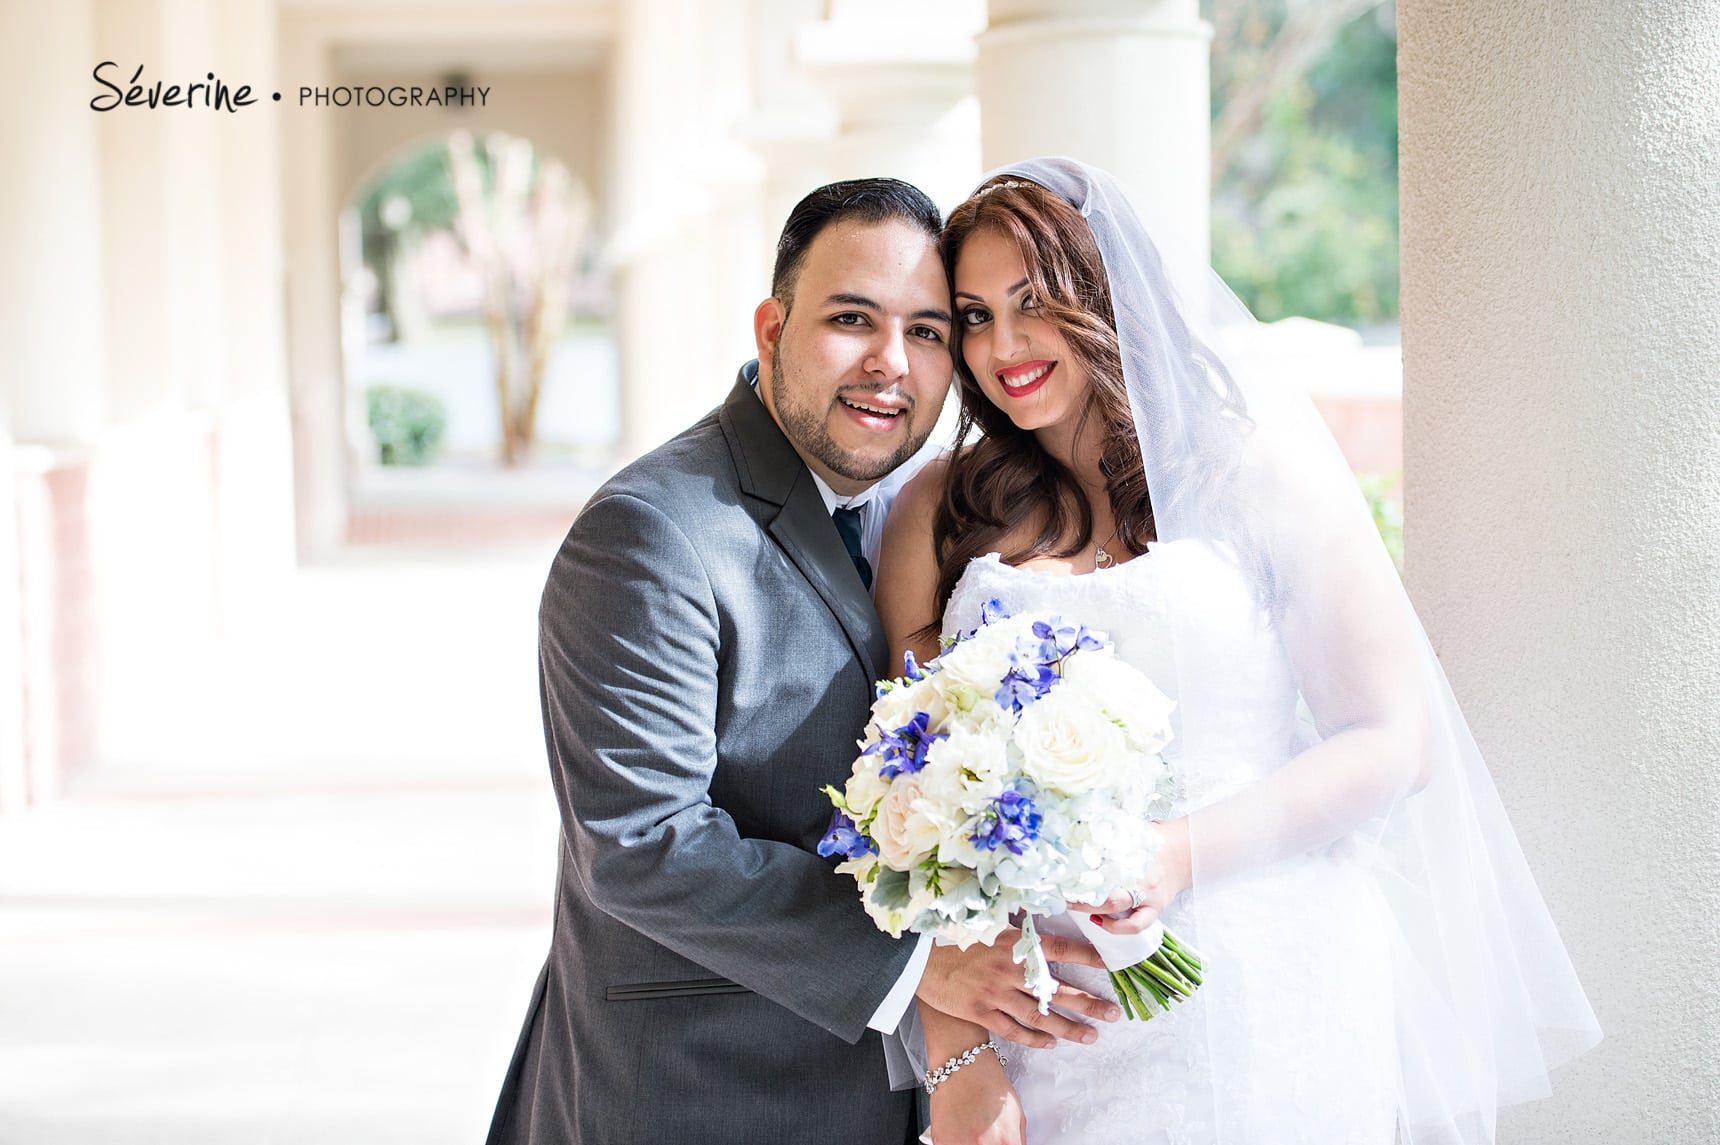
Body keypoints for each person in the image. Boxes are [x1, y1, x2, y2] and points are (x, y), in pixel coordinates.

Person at [875, 158, 1602, 1145]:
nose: (1003, 345)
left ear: (1103, 297)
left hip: (1264, 983)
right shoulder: (937, 510)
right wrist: (959, 1052)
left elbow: (1391, 738)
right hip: (1045, 1011)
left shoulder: (1252, 474)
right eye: (972, 315)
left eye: (1033, 302)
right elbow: (907, 800)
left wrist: (1172, 853)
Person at [483, 177, 1120, 1145]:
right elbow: (642, 843)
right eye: (851, 319)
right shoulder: (652, 533)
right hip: (689, 1096)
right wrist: (921, 961)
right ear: (771, 327)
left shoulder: (926, 515)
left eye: (929, 331)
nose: (888, 363)